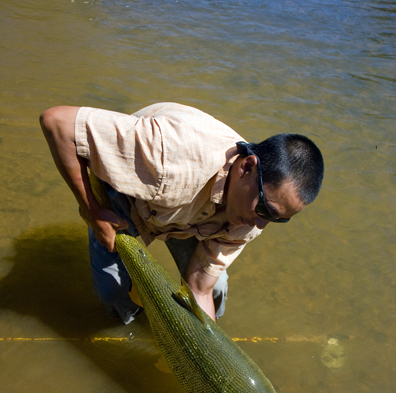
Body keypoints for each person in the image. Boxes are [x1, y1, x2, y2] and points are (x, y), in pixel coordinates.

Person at [40, 102, 324, 324]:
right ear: (247, 168)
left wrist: (209, 350)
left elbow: (199, 288)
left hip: (192, 213)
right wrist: (92, 210)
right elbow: (58, 123)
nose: (260, 225)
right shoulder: (167, 155)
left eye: (278, 219)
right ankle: (128, 322)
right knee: (112, 295)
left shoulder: (253, 216)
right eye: (265, 209)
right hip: (132, 190)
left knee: (215, 290)